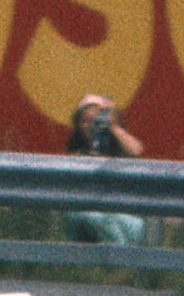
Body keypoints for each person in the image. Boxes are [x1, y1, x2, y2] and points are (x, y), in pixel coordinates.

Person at [58, 92, 153, 245]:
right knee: (89, 217)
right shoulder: (77, 156)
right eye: (85, 121)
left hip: (123, 217)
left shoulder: (121, 150)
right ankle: (119, 263)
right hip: (88, 216)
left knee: (129, 226)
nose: (91, 126)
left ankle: (118, 261)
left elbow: (137, 151)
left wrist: (113, 127)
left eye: (95, 121)